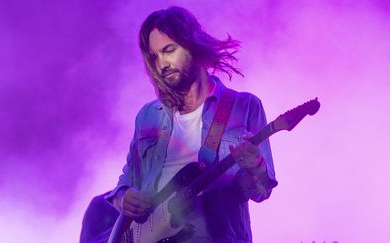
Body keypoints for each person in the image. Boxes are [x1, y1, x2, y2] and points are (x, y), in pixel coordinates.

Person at [80, 6, 277, 243]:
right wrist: (124, 197)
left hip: (215, 237)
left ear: (192, 45)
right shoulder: (148, 116)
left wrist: (256, 166)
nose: (161, 64)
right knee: (95, 211)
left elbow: (259, 191)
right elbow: (127, 179)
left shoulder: (243, 106)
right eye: (154, 57)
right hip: (151, 236)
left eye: (168, 50)